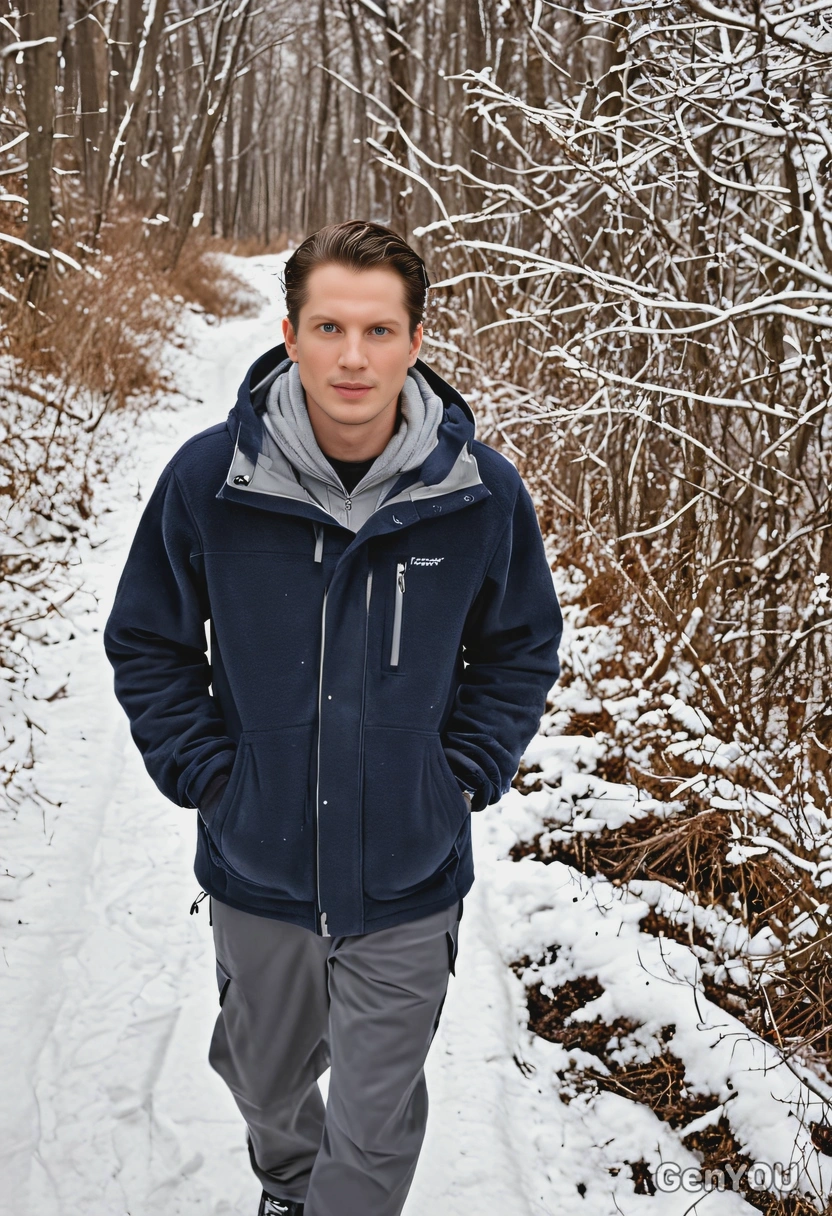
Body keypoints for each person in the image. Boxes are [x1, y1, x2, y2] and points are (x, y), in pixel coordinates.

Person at [103, 219, 562, 1216]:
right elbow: (149, 640)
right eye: (328, 328)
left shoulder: (478, 495)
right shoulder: (208, 481)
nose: (352, 357)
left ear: (416, 340)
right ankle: (285, 1183)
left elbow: (521, 646)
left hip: (408, 873)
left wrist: (461, 775)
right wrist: (211, 777)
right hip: (257, 867)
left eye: (378, 330)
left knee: (374, 1113)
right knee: (265, 1081)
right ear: (290, 331)